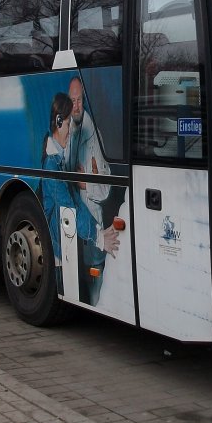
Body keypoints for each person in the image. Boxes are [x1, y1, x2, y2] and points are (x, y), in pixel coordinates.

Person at [39, 92, 119, 296]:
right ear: (58, 123)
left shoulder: (58, 159)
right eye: (67, 125)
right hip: (58, 253)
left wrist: (99, 231)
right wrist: (100, 239)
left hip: (65, 247)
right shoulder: (51, 165)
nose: (70, 132)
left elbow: (75, 200)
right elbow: (71, 208)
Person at [67, 77, 120, 305]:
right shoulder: (67, 133)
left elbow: (105, 190)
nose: (76, 105)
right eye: (72, 100)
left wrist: (85, 184)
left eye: (79, 100)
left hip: (92, 224)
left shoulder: (93, 137)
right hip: (75, 224)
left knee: (94, 285)